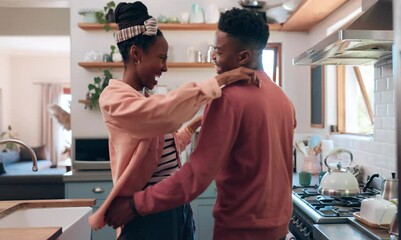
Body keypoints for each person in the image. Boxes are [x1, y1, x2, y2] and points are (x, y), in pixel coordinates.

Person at [105, 8, 296, 240]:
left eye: (217, 50)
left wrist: (135, 204)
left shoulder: (227, 99)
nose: (213, 56)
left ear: (243, 57)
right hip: (277, 228)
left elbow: (195, 175)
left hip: (239, 231)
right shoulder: (283, 99)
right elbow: (160, 115)